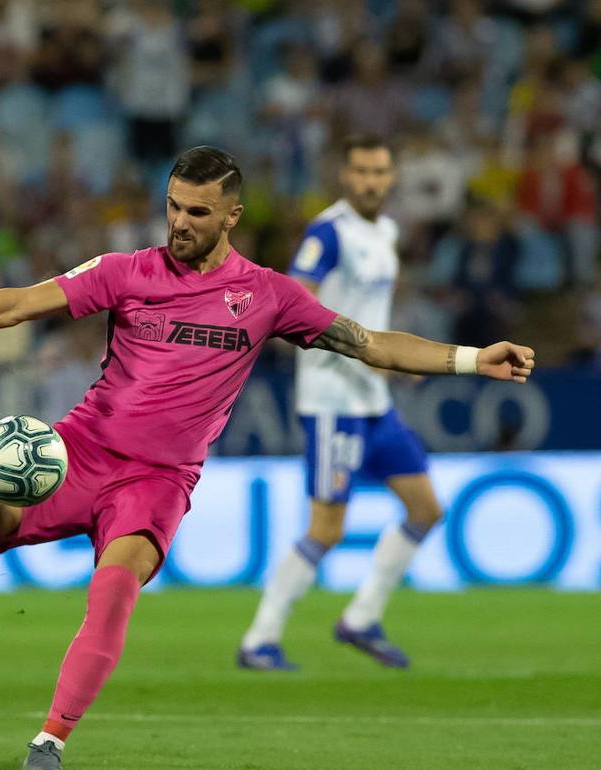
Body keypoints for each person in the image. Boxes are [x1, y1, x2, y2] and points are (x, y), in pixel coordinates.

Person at [0, 146, 535, 770]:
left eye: (196, 212)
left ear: (231, 216)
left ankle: (50, 741)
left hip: (158, 481)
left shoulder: (268, 295)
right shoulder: (123, 272)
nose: (179, 223)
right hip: (82, 450)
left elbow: (371, 344)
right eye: (172, 206)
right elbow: (19, 304)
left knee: (113, 589)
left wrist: (475, 359)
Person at [237, 135, 444, 672]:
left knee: (425, 509)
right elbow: (291, 301)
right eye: (362, 171)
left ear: (391, 176)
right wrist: (360, 353)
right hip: (332, 400)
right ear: (345, 176)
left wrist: (389, 360)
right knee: (327, 529)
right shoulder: (327, 234)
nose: (371, 181)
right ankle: (259, 639)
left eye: (380, 171)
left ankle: (361, 619)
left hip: (374, 400)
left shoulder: (388, 230)